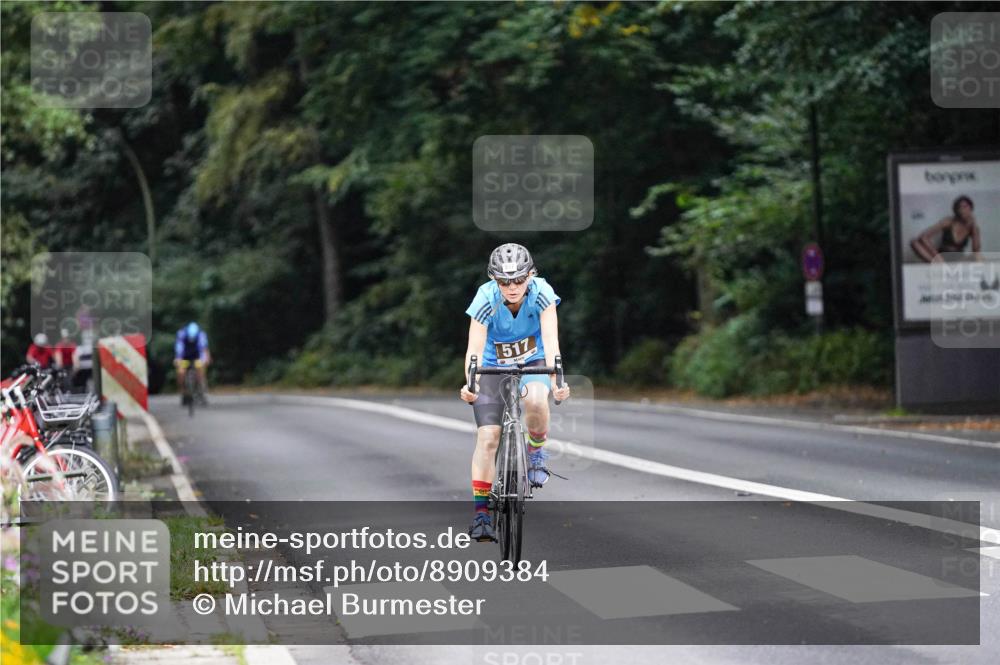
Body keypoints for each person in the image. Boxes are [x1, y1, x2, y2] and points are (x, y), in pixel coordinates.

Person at [459, 244, 571, 542]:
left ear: (530, 275)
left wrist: (557, 380)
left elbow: (551, 340)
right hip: (492, 364)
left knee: (535, 399)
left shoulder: (542, 293)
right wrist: (470, 385)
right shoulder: (485, 298)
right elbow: (473, 349)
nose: (512, 287)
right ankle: (481, 515)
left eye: (519, 280)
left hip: (533, 359)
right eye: (504, 281)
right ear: (494, 280)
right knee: (488, 437)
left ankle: (535, 453)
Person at [911, 195, 982, 263]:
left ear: (971, 208)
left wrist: (974, 226)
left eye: (965, 207)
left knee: (976, 257)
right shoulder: (949, 221)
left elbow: (976, 251)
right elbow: (923, 236)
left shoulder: (974, 228)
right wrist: (937, 255)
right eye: (959, 207)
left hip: (959, 258)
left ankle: (944, 266)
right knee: (914, 242)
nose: (962, 210)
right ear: (956, 210)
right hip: (942, 257)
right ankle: (938, 264)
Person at [174, 322, 211, 404]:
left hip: (197, 357)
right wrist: (178, 359)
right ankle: (184, 393)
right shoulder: (181, 334)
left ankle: (201, 392)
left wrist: (206, 359)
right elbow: (179, 348)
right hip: (185, 357)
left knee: (200, 371)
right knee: (181, 373)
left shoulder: (201, 335)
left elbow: (204, 348)